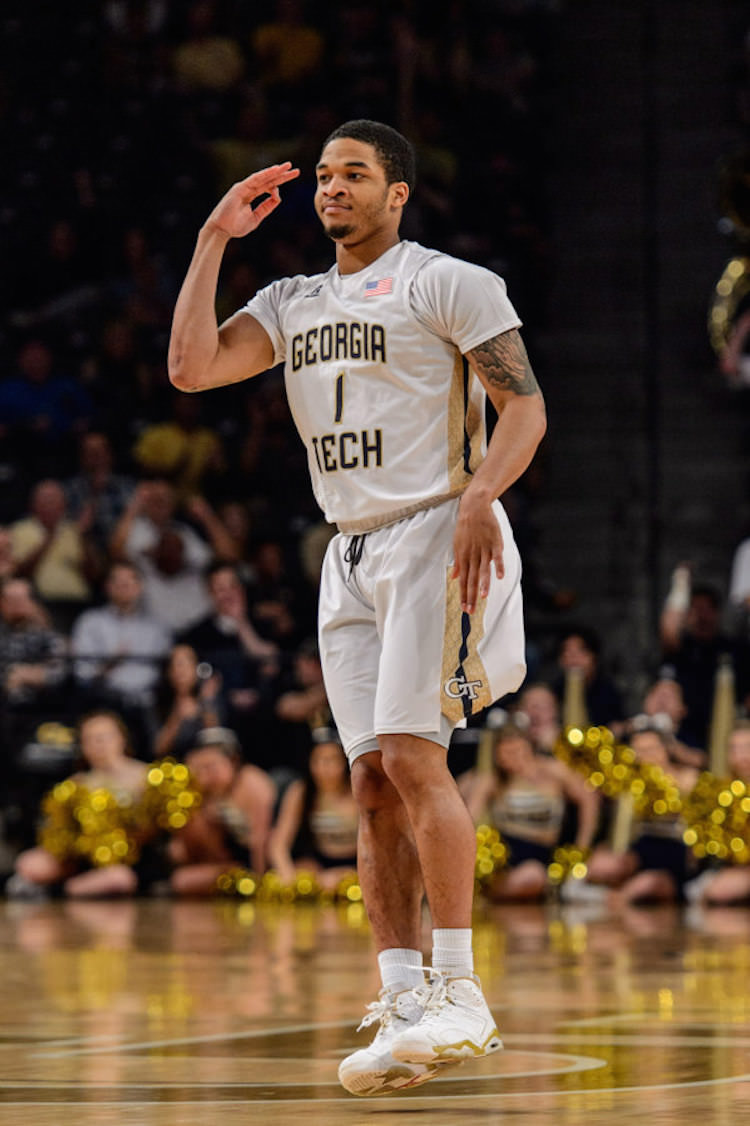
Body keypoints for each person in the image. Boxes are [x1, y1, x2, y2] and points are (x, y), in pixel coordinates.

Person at [168, 119, 546, 1096]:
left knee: (417, 757)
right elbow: (190, 368)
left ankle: (463, 986)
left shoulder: (446, 282)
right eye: (324, 176)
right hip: (347, 550)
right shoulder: (291, 302)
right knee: (371, 778)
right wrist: (214, 238)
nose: (332, 189)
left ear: (399, 192)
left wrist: (478, 500)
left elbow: (526, 408)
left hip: (435, 529)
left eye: (354, 175)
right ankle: (404, 1000)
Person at [9, 711, 152, 899]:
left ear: (122, 738)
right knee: (28, 862)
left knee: (119, 879)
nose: (98, 744)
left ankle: (61, 891)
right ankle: (69, 886)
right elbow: (56, 832)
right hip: (81, 859)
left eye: (104, 737)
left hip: (128, 861)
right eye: (90, 739)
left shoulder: (146, 776)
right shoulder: (76, 783)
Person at [457, 722, 599, 902]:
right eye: (506, 755)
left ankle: (482, 893)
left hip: (544, 850)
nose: (513, 759)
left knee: (537, 876)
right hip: (507, 852)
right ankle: (479, 891)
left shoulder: (553, 770)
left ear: (530, 748)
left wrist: (582, 846)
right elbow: (469, 818)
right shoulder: (493, 779)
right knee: (532, 876)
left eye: (518, 752)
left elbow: (589, 798)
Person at [169, 726, 277, 892]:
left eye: (211, 767)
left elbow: (260, 839)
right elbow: (185, 849)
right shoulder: (198, 792)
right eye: (199, 769)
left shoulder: (252, 784)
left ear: (233, 761)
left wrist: (260, 883)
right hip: (224, 863)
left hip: (259, 863)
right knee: (180, 874)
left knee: (185, 880)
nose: (204, 776)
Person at [268, 726, 358, 890]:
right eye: (318, 760)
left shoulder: (358, 790)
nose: (324, 767)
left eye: (332, 760)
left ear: (344, 762)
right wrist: (288, 876)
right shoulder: (300, 791)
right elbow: (278, 844)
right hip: (318, 864)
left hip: (357, 863)